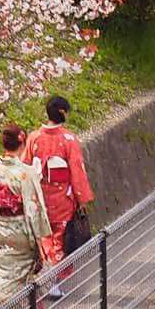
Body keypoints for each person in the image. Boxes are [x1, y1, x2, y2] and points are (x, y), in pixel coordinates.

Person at [0, 123, 51, 309]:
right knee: (26, 274)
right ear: (22, 142)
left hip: (0, 228)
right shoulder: (26, 173)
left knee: (3, 275)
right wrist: (40, 237)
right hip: (21, 230)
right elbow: (35, 207)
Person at [26, 95, 93, 298]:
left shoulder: (33, 138)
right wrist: (81, 199)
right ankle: (53, 282)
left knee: (44, 237)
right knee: (60, 239)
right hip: (62, 197)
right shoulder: (68, 139)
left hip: (39, 196)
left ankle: (46, 278)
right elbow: (77, 171)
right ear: (62, 113)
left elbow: (26, 167)